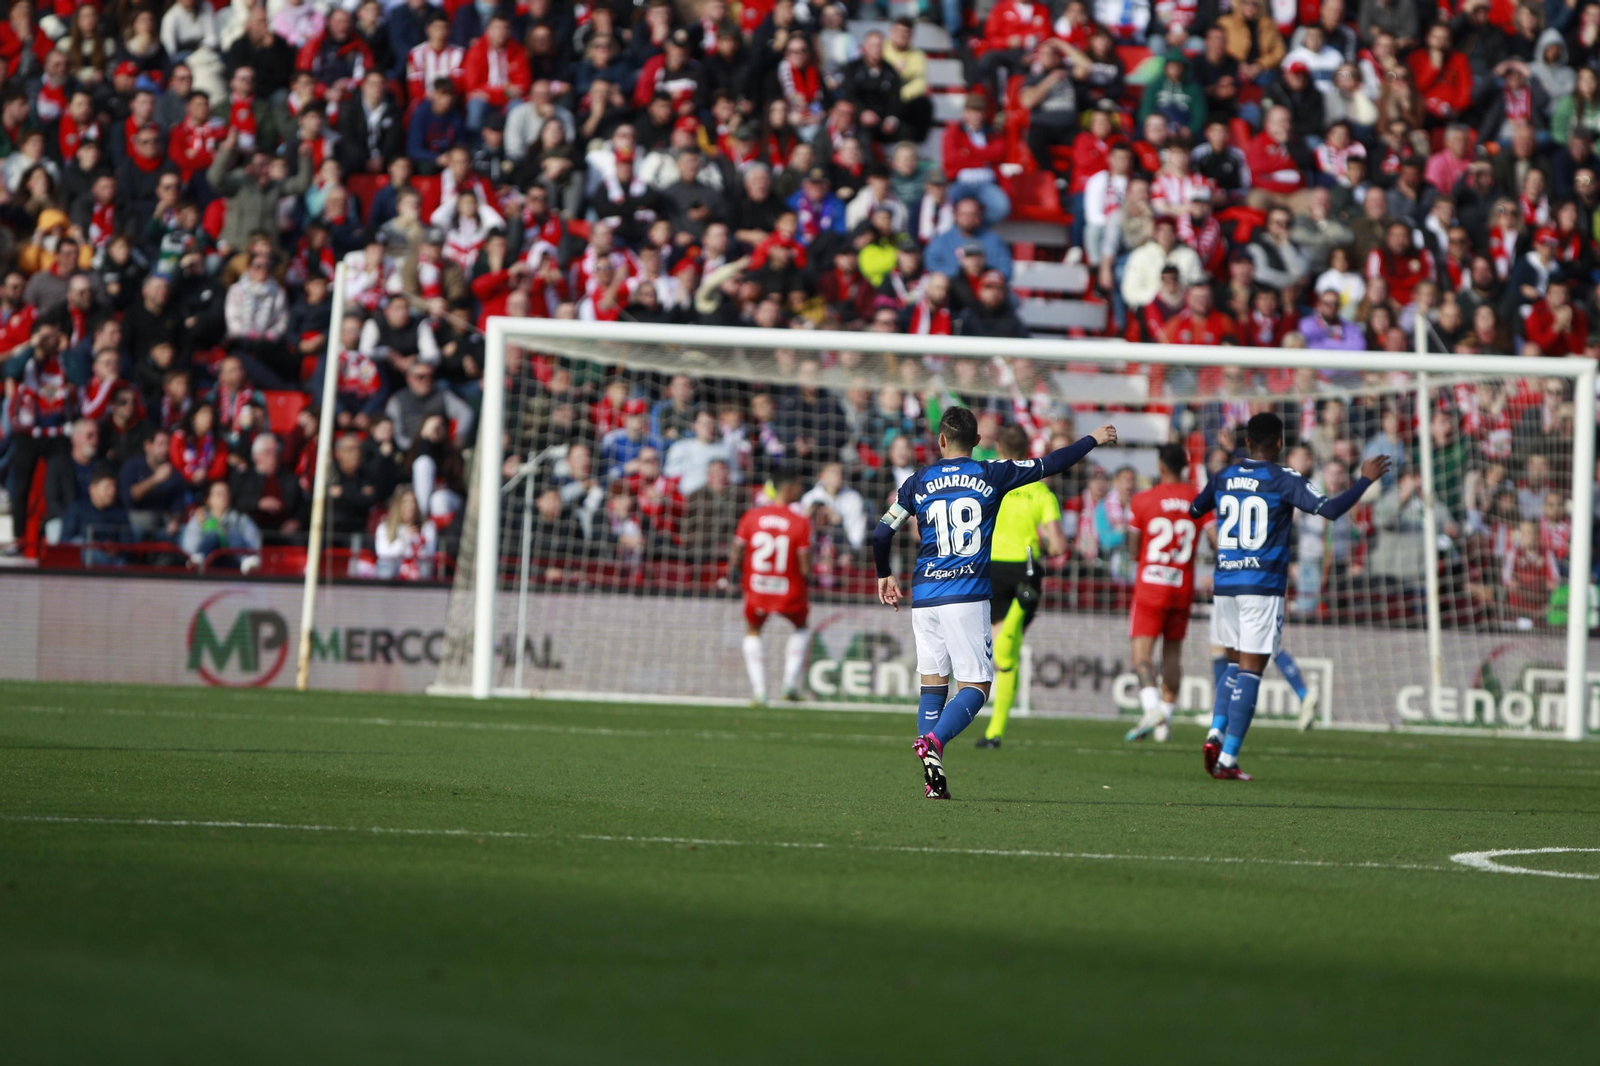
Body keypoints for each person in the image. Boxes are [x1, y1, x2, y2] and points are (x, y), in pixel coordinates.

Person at [873, 408, 1117, 799]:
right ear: (977, 444)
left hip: (925, 596)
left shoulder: (917, 481)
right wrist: (1092, 439)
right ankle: (934, 743)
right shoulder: (991, 472)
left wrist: (884, 573)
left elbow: (883, 531)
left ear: (940, 441)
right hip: (967, 595)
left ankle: (933, 778)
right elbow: (1052, 463)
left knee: (933, 686)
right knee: (977, 685)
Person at [1190, 413, 1390, 779]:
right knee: (1252, 669)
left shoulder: (1224, 476)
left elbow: (1194, 510)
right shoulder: (1284, 479)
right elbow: (1330, 510)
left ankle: (1215, 731)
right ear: (1280, 443)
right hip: (1261, 586)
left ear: (1247, 442)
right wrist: (1365, 480)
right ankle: (1228, 759)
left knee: (1233, 665)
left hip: (1226, 585)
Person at [974, 425, 1067, 749]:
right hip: (1025, 570)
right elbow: (1057, 545)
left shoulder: (990, 480)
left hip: (990, 567)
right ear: (1028, 449)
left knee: (1001, 652)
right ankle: (994, 733)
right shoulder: (1040, 491)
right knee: (1005, 653)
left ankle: (994, 732)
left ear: (998, 448)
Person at [1123, 445, 1210, 743]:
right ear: (1185, 467)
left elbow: (1133, 550)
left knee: (1141, 657)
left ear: (1160, 467)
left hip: (1151, 587)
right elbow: (1214, 538)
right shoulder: (1198, 498)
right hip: (1182, 587)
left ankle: (1151, 710)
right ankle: (1164, 724)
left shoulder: (1143, 499)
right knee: (1172, 655)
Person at [730, 468, 812, 705]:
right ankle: (788, 685)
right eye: (797, 485)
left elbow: (737, 552)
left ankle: (759, 692)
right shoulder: (800, 522)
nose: (800, 489)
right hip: (789, 589)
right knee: (801, 627)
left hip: (757, 587)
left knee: (753, 631)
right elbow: (805, 565)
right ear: (787, 488)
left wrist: (733, 573)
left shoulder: (751, 517)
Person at [179, 479, 262, 570]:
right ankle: (200, 560)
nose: (223, 497)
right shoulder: (199, 519)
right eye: (219, 494)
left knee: (232, 532)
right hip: (206, 568)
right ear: (208, 499)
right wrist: (199, 526)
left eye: (226, 493)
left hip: (235, 566)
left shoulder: (240, 519)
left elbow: (254, 544)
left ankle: (244, 560)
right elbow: (188, 547)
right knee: (212, 535)